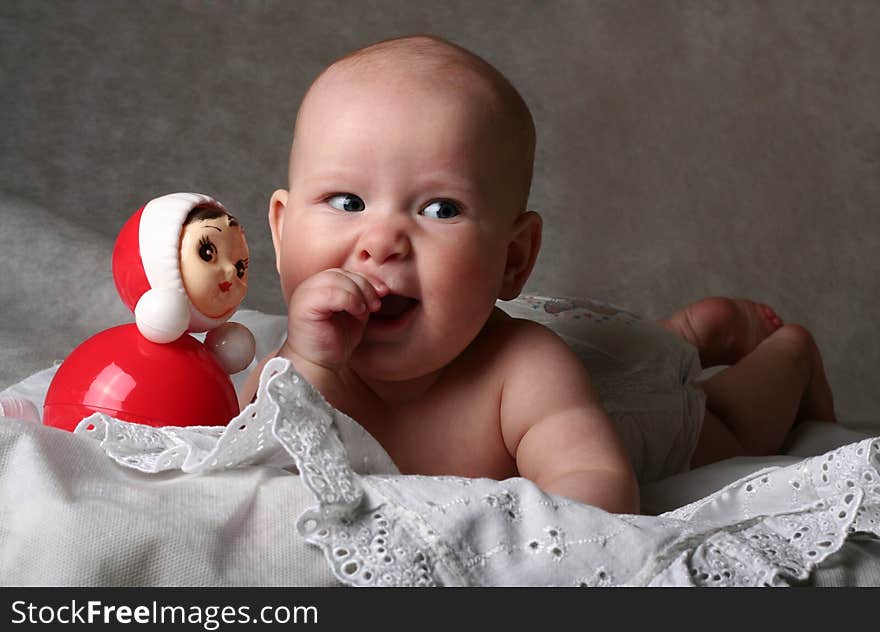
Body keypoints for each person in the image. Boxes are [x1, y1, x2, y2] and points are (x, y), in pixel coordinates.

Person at [241, 35, 836, 514]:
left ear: (513, 259)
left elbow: (598, 484)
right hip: (583, 335)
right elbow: (246, 450)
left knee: (729, 426)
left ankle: (786, 353)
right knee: (624, 343)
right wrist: (308, 361)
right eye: (346, 202)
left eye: (440, 209)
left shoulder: (524, 369)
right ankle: (683, 333)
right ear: (282, 228)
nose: (381, 242)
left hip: (630, 402)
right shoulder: (293, 368)